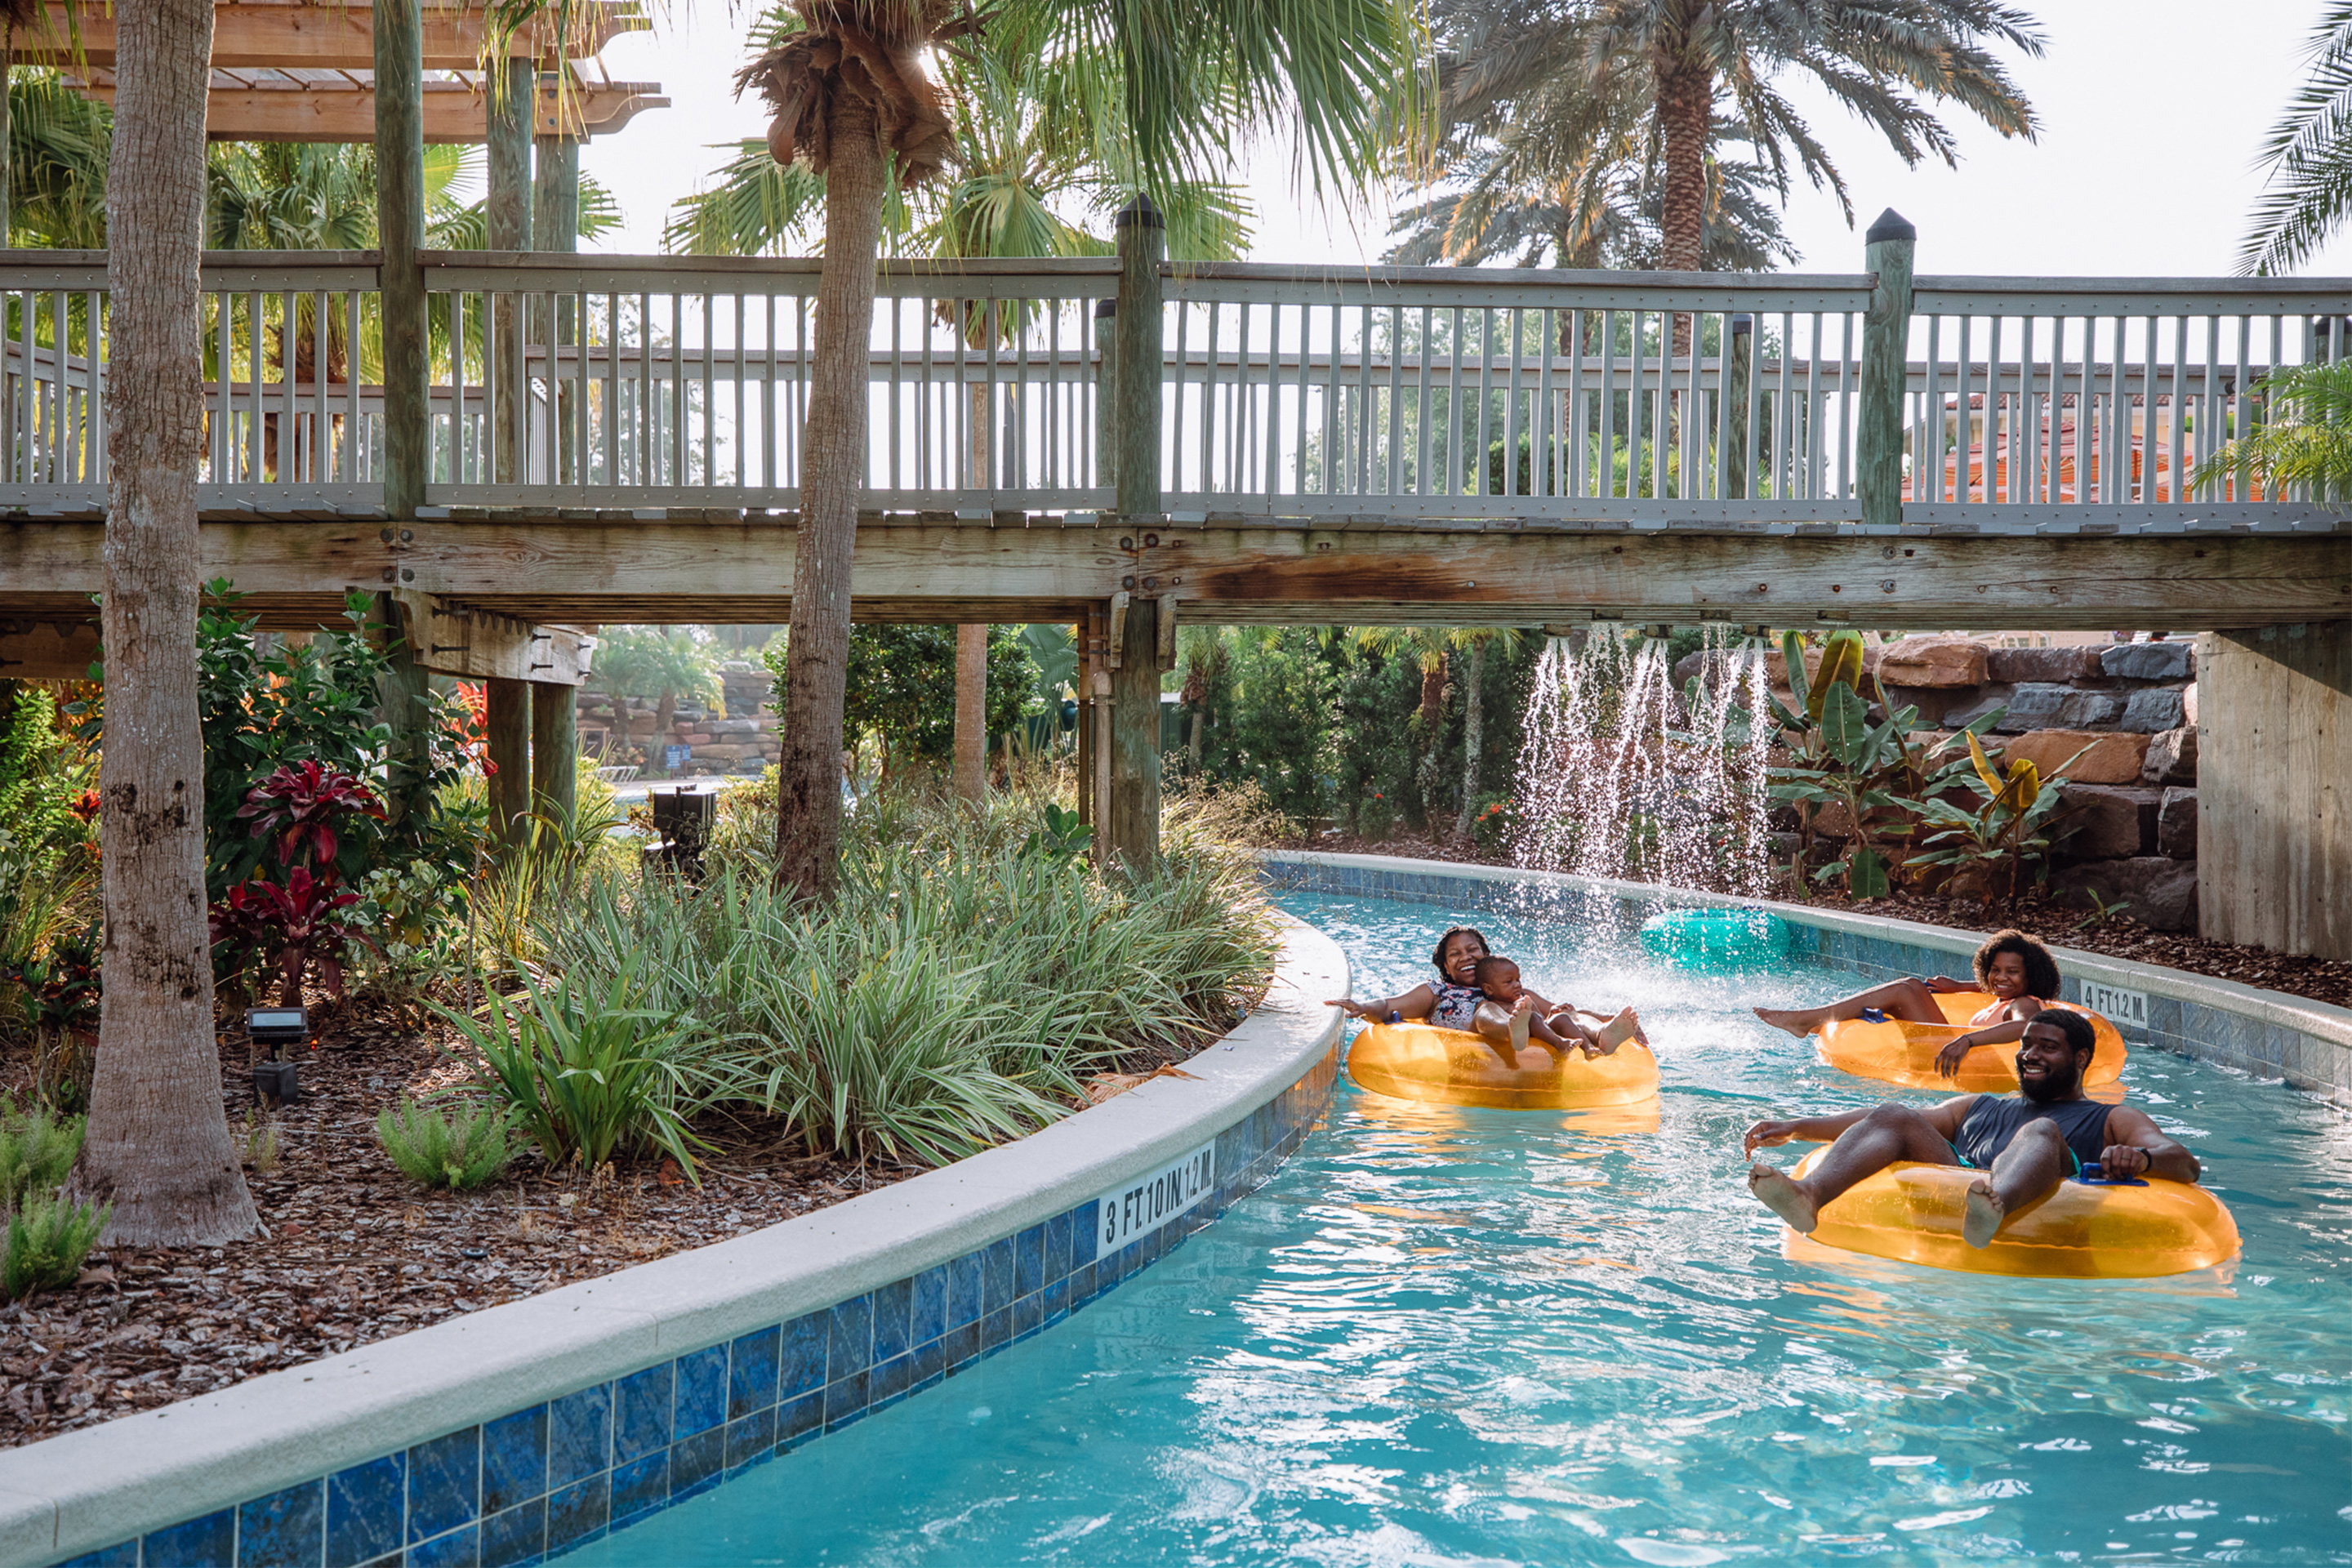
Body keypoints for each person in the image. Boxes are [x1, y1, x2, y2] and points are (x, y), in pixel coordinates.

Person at [1742, 1010, 2201, 1250]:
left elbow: (2183, 1161)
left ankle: (1998, 1206)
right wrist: (1797, 1127)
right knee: (1895, 1113)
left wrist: (2142, 1158)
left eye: (2048, 1048)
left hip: (2046, 1192)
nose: (2030, 1056)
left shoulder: (2111, 1118)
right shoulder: (1977, 1108)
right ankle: (1809, 1196)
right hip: (1963, 1187)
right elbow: (1883, 1126)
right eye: (2025, 1047)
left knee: (2040, 1131)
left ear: (2080, 1059)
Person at [1753, 928, 2059, 1079]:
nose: (2000, 978)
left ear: (2031, 975)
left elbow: (2026, 1027)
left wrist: (1967, 1040)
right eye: (1994, 970)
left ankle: (1807, 1021)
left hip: (1961, 1061)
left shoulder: (2025, 1005)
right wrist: (1959, 987)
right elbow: (1995, 989)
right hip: (1950, 1048)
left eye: (2012, 972)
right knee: (1907, 988)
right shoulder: (2005, 996)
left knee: (1907, 989)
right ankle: (1815, 1019)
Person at [1471, 955, 1642, 1065]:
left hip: (1545, 1030)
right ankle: (1552, 1040)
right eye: (1509, 982)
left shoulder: (1525, 996)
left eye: (1518, 979)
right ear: (1489, 989)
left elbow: (1566, 1012)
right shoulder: (1490, 1006)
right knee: (1532, 1018)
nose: (1517, 985)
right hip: (1524, 1034)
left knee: (1562, 1018)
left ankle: (1594, 1044)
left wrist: (1606, 1017)